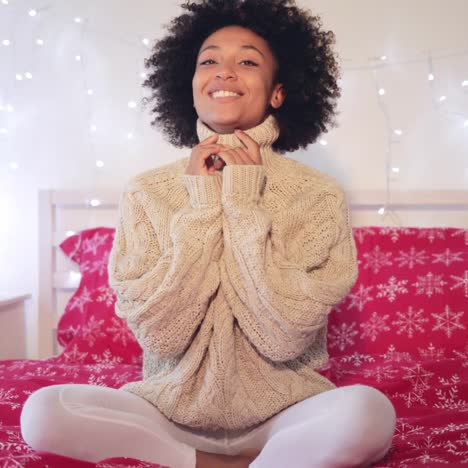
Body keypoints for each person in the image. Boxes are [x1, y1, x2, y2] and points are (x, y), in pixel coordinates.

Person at [20, 1, 397, 467]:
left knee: (369, 413)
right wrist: (200, 209)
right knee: (42, 413)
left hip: (286, 412)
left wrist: (241, 204)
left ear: (277, 93)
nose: (225, 72)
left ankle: (227, 457)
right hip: (165, 411)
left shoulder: (315, 195)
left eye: (248, 61)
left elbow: (280, 337)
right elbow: (162, 334)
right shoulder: (146, 192)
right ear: (192, 86)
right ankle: (227, 462)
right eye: (210, 60)